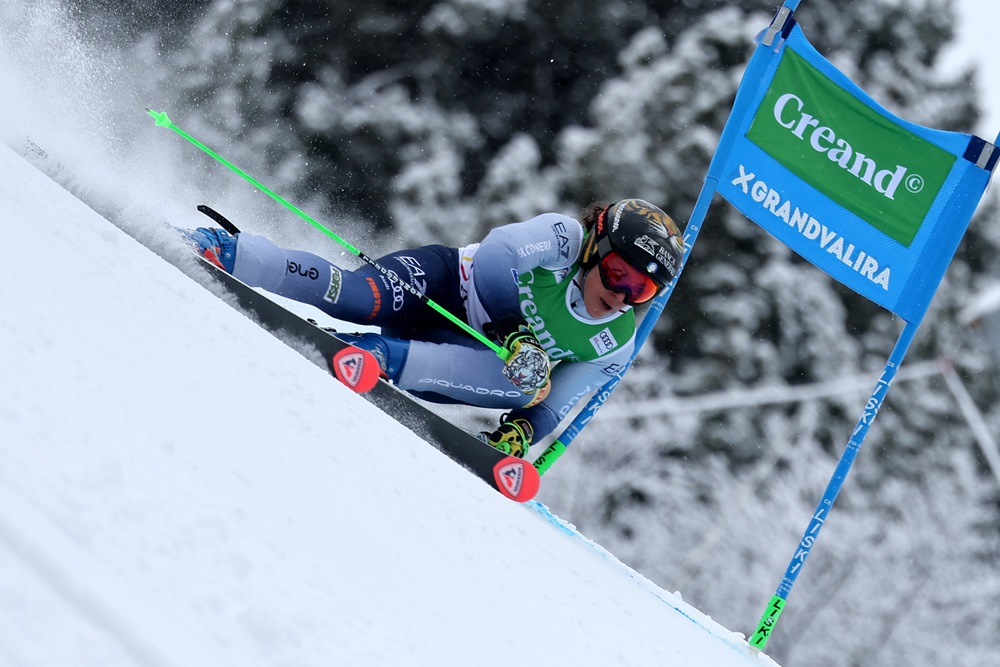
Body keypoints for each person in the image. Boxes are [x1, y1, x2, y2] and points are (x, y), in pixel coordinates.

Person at [184, 199, 684, 458]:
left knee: (531, 384)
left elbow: (555, 407)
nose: (620, 295)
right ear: (597, 244)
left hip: (463, 357)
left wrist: (519, 435)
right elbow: (495, 256)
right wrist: (513, 329)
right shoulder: (564, 237)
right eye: (619, 272)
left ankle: (377, 357)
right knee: (360, 298)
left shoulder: (615, 343)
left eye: (641, 291)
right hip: (446, 284)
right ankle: (229, 251)